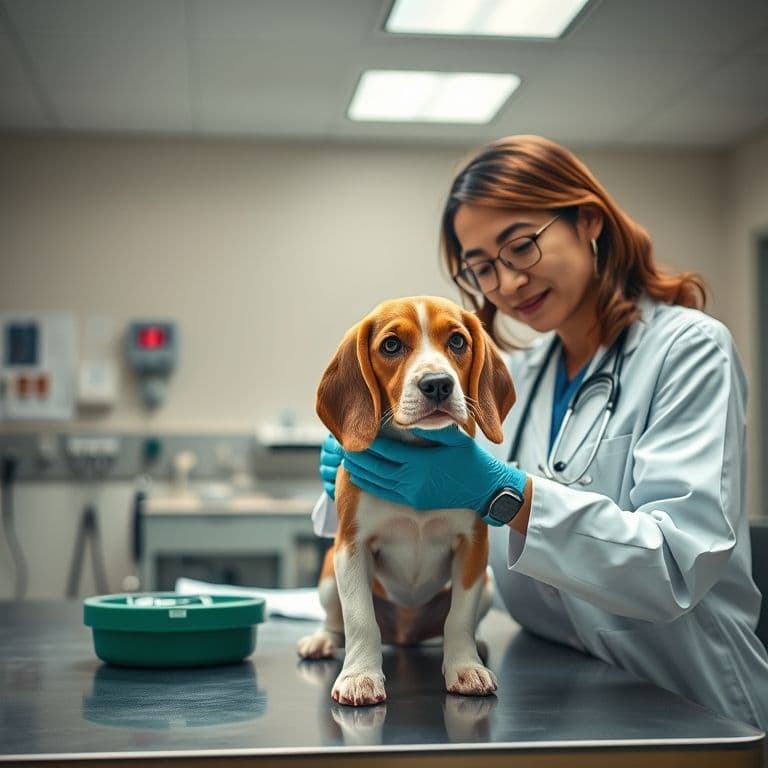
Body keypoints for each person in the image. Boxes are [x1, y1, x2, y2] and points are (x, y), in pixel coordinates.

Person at [313, 134, 768, 730]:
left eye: (520, 247)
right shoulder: (520, 373)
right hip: (567, 690)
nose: (505, 284)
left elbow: (679, 567)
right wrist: (348, 475)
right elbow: (395, 530)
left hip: (687, 694)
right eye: (481, 267)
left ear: (588, 222)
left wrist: (506, 493)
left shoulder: (689, 349)